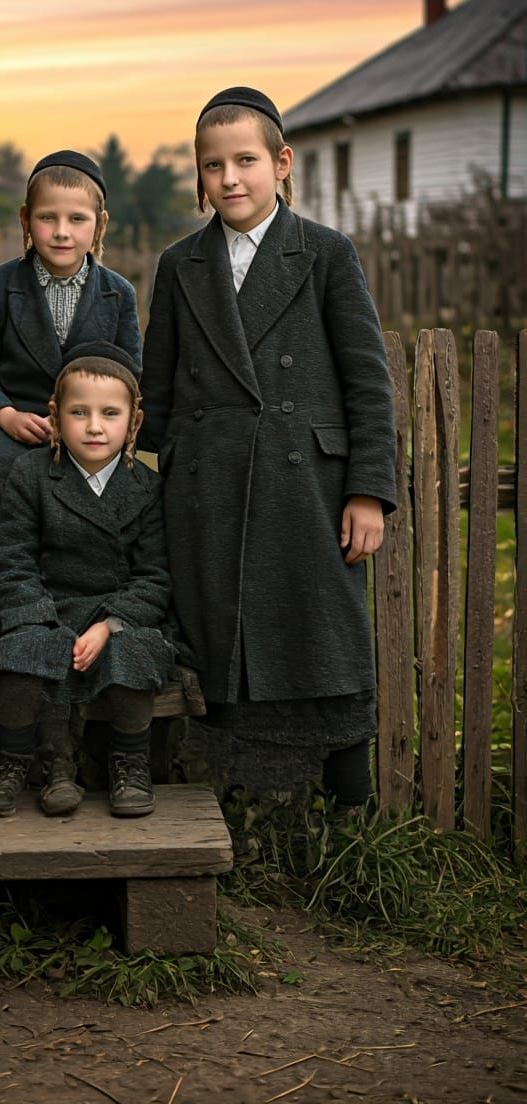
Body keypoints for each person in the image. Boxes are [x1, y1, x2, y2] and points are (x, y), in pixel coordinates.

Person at [139, 87, 397, 808]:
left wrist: (369, 489)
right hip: (206, 484)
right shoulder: (180, 263)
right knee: (216, 634)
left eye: (245, 160)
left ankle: (348, 812)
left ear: (281, 163)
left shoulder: (325, 253)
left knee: (323, 633)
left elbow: (367, 383)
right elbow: (156, 390)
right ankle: (230, 801)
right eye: (212, 164)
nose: (229, 179)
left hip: (305, 485)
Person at [0, 151, 142, 652]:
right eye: (48, 217)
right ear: (26, 220)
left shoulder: (118, 294)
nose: (62, 231)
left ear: (99, 225)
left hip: (88, 430)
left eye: (77, 219)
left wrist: (103, 428)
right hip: (13, 423)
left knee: (116, 495)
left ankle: (82, 602)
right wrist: (4, 415)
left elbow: (130, 376)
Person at [0, 343, 174, 820]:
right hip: (46, 607)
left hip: (114, 614)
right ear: (55, 419)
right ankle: (22, 759)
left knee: (134, 655)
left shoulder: (146, 488)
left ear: (133, 424)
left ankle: (130, 761)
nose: (95, 426)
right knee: (22, 655)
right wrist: (40, 621)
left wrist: (110, 625)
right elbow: (11, 559)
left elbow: (155, 577)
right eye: (79, 412)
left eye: (109, 414)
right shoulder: (32, 475)